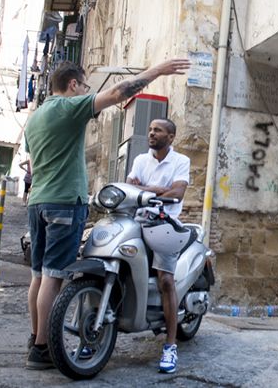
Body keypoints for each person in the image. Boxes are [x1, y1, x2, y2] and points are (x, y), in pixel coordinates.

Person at [23, 58, 190, 370]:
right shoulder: (66, 107)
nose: (87, 92)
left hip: (38, 201)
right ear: (73, 85)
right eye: (85, 86)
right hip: (63, 201)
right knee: (53, 276)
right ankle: (43, 348)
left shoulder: (36, 117)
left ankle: (35, 338)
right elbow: (117, 92)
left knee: (38, 275)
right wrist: (157, 71)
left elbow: (32, 164)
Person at [126, 118, 190, 374]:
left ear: (171, 137)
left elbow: (177, 194)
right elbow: (130, 187)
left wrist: (146, 190)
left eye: (158, 130)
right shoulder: (141, 160)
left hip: (165, 224)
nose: (151, 133)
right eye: (150, 129)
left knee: (165, 280)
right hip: (138, 221)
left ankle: (170, 345)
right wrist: (157, 189)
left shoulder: (180, 161)